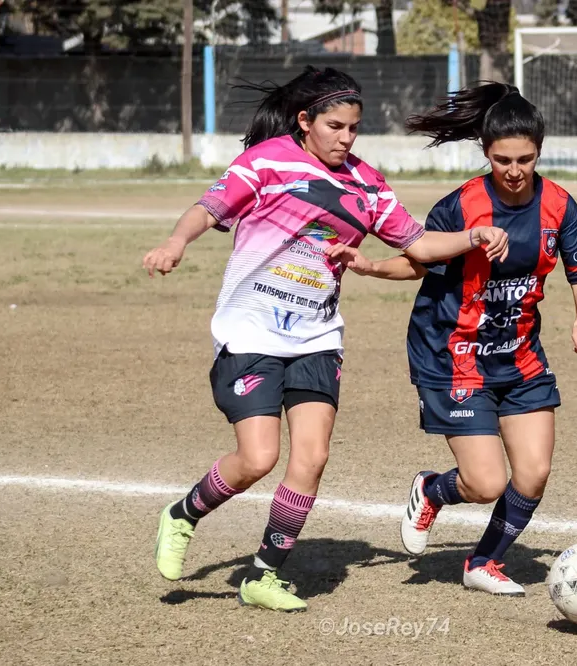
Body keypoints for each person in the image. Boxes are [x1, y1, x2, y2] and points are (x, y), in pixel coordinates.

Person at [141, 66, 509, 613]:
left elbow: (419, 245)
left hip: (318, 338)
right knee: (258, 457)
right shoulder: (266, 162)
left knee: (310, 458)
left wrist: (472, 237)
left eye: (354, 128)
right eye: (335, 126)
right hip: (250, 333)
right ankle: (184, 513)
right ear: (305, 121)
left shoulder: (366, 183)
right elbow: (209, 208)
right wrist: (176, 241)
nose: (346, 137)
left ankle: (264, 575)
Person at [325, 82, 577, 596]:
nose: (515, 170)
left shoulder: (561, 205)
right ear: (485, 151)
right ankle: (432, 489)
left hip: (518, 355)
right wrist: (368, 267)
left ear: (539, 150)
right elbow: (419, 261)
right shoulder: (464, 205)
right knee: (486, 482)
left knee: (533, 473)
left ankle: (483, 563)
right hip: (453, 355)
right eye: (502, 159)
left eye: (525, 158)